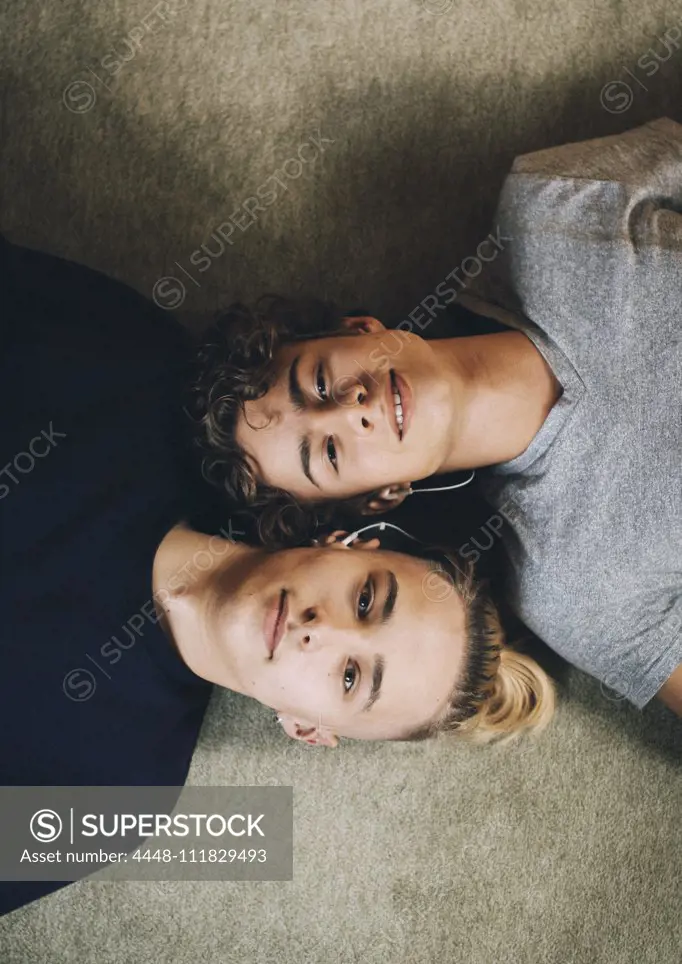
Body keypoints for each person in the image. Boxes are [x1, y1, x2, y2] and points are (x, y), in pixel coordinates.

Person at [0, 236, 553, 916]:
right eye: (366, 597)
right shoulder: (142, 370)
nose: (323, 631)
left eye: (352, 678)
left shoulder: (121, 799)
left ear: (308, 728)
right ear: (343, 541)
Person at [191, 117, 682, 714]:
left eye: (319, 380)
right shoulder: (574, 595)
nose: (352, 409)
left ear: (358, 329)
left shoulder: (552, 203)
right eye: (329, 453)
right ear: (381, 498)